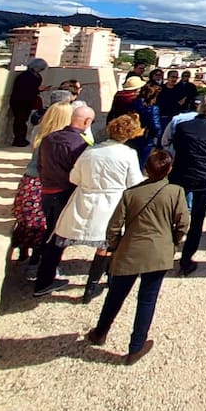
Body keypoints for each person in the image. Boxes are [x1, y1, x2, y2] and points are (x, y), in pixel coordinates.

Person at [85, 149, 190, 366]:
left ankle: (100, 332)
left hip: (129, 250)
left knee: (115, 295)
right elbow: (183, 223)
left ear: (146, 170)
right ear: (169, 170)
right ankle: (135, 347)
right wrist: (173, 242)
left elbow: (114, 227)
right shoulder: (175, 192)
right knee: (147, 299)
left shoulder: (130, 194)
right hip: (159, 251)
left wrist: (115, 247)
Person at [51, 114, 146, 303]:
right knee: (107, 246)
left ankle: (89, 285)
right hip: (112, 202)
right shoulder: (128, 154)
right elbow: (134, 183)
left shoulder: (90, 152)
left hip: (85, 198)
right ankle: (93, 285)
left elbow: (74, 178)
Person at [32, 105, 96, 296]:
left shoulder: (49, 138)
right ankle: (44, 280)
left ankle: (39, 267)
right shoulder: (80, 144)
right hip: (65, 193)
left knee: (50, 232)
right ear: (86, 122)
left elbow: (41, 165)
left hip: (47, 191)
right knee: (57, 237)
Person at [12, 102, 73, 278]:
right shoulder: (60, 138)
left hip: (29, 180)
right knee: (45, 225)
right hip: (45, 183)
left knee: (28, 220)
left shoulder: (38, 131)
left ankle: (24, 253)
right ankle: (36, 264)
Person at [173, 97, 206, 276]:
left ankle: (167, 250)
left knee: (173, 214)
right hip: (205, 176)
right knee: (196, 220)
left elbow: (177, 147)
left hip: (182, 173)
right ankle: (186, 260)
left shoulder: (183, 127)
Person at [9, 58, 49, 146]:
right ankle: (18, 139)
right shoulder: (24, 76)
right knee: (20, 120)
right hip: (20, 101)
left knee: (24, 120)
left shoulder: (36, 76)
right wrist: (37, 89)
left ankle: (22, 138)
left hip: (28, 101)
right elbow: (22, 89)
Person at [131, 83, 163, 168]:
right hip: (146, 136)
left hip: (133, 133)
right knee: (141, 161)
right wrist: (159, 137)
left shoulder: (135, 102)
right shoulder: (153, 108)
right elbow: (156, 126)